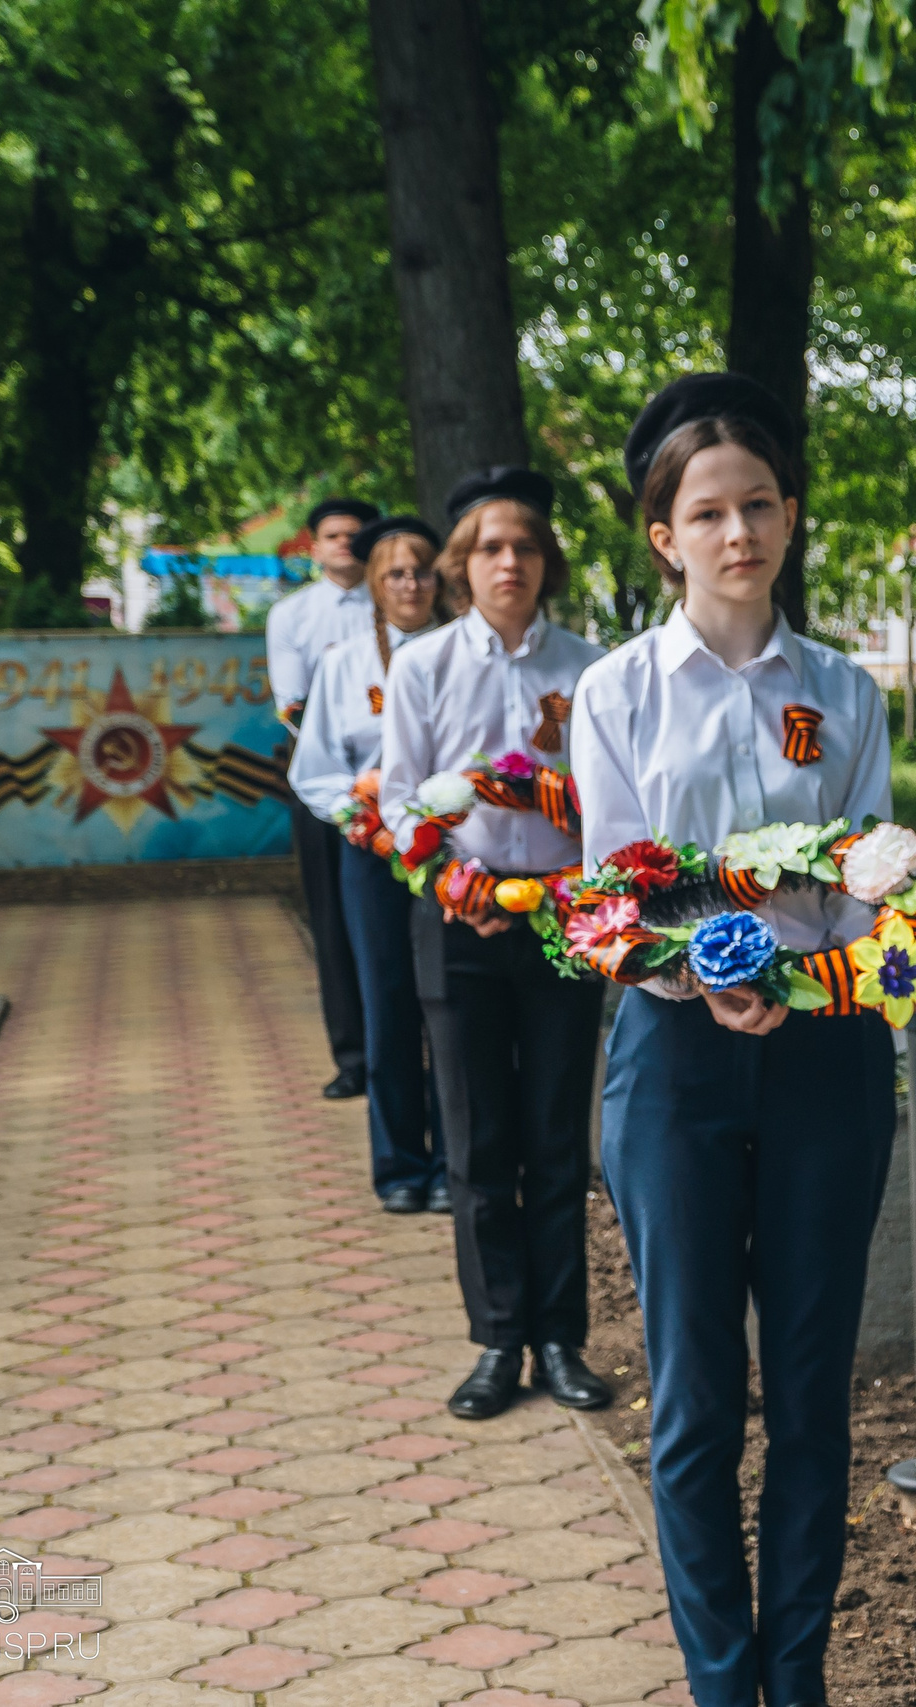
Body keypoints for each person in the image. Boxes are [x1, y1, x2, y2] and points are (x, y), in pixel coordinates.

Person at [571, 374, 894, 1707]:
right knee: (697, 1397)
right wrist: (701, 975)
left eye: (758, 504)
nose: (738, 532)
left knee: (812, 1393)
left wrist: (819, 971)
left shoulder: (845, 691)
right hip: (674, 1062)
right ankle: (721, 1681)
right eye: (707, 512)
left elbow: (872, 879)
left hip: (826, 1055)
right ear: (665, 536)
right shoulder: (617, 692)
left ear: (790, 516)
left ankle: (794, 1676)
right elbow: (611, 892)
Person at [379, 468, 613, 1421]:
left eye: (524, 546)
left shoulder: (593, 671)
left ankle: (560, 1337)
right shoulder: (423, 666)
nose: (508, 561)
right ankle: (497, 1338)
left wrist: (585, 887)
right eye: (489, 547)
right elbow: (400, 801)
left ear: (546, 561)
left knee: (556, 1136)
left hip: (563, 924)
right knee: (477, 1141)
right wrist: (452, 882)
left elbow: (614, 804)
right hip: (458, 923)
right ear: (460, 565)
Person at [289, 514, 452, 1215]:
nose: (410, 585)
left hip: (451, 855)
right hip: (373, 854)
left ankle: (452, 1163)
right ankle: (400, 1166)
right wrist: (362, 816)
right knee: (386, 1005)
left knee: (449, 1005)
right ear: (376, 586)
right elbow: (316, 768)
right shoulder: (345, 664)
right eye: (395, 574)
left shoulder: (460, 653)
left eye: (421, 571)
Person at [268, 494, 381, 1101]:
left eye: (355, 535)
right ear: (314, 546)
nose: (344, 544)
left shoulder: (395, 603)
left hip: (403, 790)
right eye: (334, 535)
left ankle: (407, 1050)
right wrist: (346, 775)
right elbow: (292, 704)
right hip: (324, 789)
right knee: (333, 923)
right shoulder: (292, 615)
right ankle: (353, 1058)